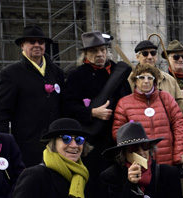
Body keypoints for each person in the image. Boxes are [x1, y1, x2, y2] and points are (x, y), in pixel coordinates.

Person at [62, 31, 134, 198]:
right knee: (95, 184)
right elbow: (68, 106)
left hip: (118, 139)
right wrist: (92, 112)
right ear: (86, 54)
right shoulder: (77, 75)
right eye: (94, 51)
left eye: (103, 50)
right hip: (92, 140)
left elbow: (128, 99)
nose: (100, 54)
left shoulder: (118, 72)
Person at [0, 25, 67, 166]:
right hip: (27, 144)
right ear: (22, 45)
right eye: (32, 42)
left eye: (40, 42)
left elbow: (63, 105)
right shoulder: (11, 73)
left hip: (55, 142)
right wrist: (2, 143)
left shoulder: (56, 72)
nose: (37, 45)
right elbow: (3, 112)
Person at [112, 63, 183, 166]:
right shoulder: (124, 103)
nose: (146, 81)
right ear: (135, 80)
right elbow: (118, 134)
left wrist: (179, 155)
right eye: (142, 77)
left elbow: (179, 127)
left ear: (155, 81)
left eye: (150, 78)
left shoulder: (166, 98)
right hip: (140, 163)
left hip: (167, 161)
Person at [13, 118, 92, 198]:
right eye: (66, 139)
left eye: (79, 140)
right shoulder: (36, 175)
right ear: (53, 143)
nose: (74, 145)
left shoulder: (83, 176)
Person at [99, 121, 182, 198]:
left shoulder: (168, 173)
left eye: (145, 146)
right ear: (124, 154)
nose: (142, 152)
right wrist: (130, 184)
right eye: (133, 148)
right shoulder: (111, 176)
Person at [132, 40, 183, 125]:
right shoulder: (129, 79)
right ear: (137, 57)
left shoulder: (170, 80)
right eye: (145, 53)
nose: (150, 57)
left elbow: (180, 113)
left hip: (166, 131)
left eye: (153, 53)